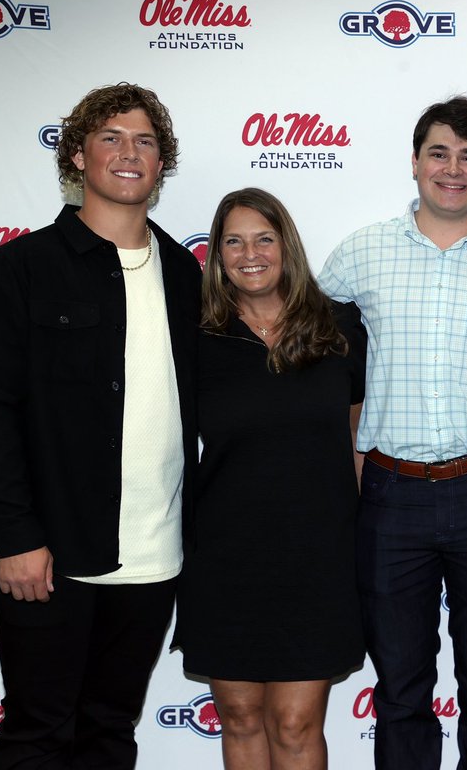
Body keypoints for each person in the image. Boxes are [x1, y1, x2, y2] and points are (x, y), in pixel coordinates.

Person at [0, 83, 201, 768]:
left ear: (161, 163)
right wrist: (16, 536)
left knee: (108, 734)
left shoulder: (186, 276)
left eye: (146, 141)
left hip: (156, 557)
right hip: (50, 553)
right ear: (77, 155)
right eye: (111, 138)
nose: (130, 153)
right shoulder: (21, 269)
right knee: (39, 734)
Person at [316, 96, 467, 770]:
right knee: (399, 690)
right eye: (439, 153)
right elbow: (313, 353)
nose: (454, 169)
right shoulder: (360, 254)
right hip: (391, 495)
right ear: (416, 163)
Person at [174, 188, 367, 770]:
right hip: (226, 555)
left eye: (264, 238)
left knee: (295, 721)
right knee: (239, 719)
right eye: (233, 240)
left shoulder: (339, 327)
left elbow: (358, 442)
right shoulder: (196, 336)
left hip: (318, 555)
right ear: (217, 254)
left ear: (286, 244)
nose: (249, 253)